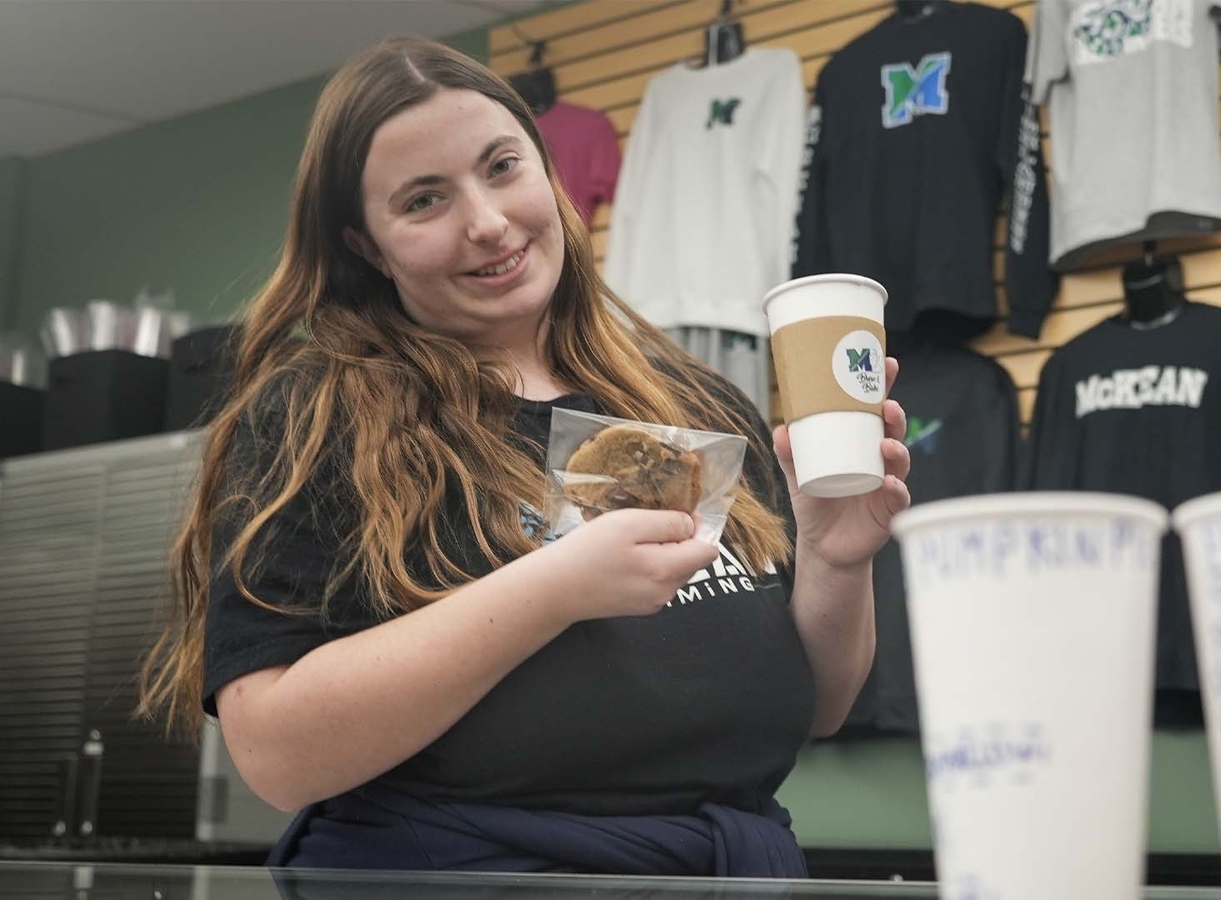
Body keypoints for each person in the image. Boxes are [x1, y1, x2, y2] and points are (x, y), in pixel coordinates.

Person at [137, 35, 911, 877]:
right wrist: (554, 590)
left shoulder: (695, 404)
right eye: (425, 200)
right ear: (366, 245)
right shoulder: (317, 416)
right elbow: (277, 754)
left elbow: (817, 707)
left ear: (546, 170)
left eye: (502, 166)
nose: (487, 222)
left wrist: (835, 559)